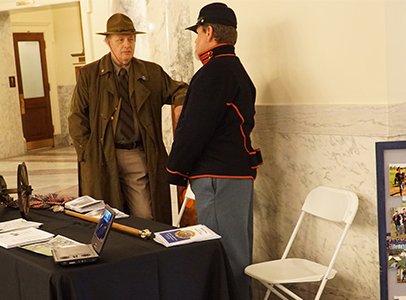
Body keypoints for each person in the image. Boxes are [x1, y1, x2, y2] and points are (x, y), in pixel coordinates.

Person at [166, 3, 262, 299]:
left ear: (209, 31)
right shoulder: (235, 69)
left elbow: (194, 129)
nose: (195, 40)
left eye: (197, 33)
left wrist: (175, 169)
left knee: (226, 258)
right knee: (237, 256)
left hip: (219, 178)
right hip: (236, 175)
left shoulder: (213, 73)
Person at [68, 13, 188, 224]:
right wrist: (88, 153)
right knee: (106, 222)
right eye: (120, 39)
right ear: (108, 42)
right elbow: (76, 118)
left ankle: (147, 256)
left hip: (137, 156)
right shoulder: (90, 75)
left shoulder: (151, 72)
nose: (127, 45)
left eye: (131, 39)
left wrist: (180, 104)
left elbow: (181, 89)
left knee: (145, 217)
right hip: (103, 157)